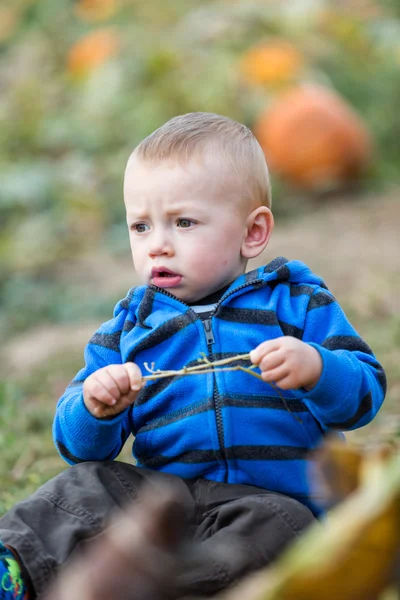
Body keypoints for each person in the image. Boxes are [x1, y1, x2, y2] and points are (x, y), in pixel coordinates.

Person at [0, 112, 386, 600]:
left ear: (252, 233)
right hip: (165, 500)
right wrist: (95, 406)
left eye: (183, 222)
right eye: (140, 227)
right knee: (85, 486)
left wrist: (317, 368)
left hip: (266, 503)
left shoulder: (296, 303)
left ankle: (157, 588)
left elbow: (364, 394)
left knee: (282, 527)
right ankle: (14, 569)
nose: (158, 245)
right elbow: (81, 448)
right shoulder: (129, 328)